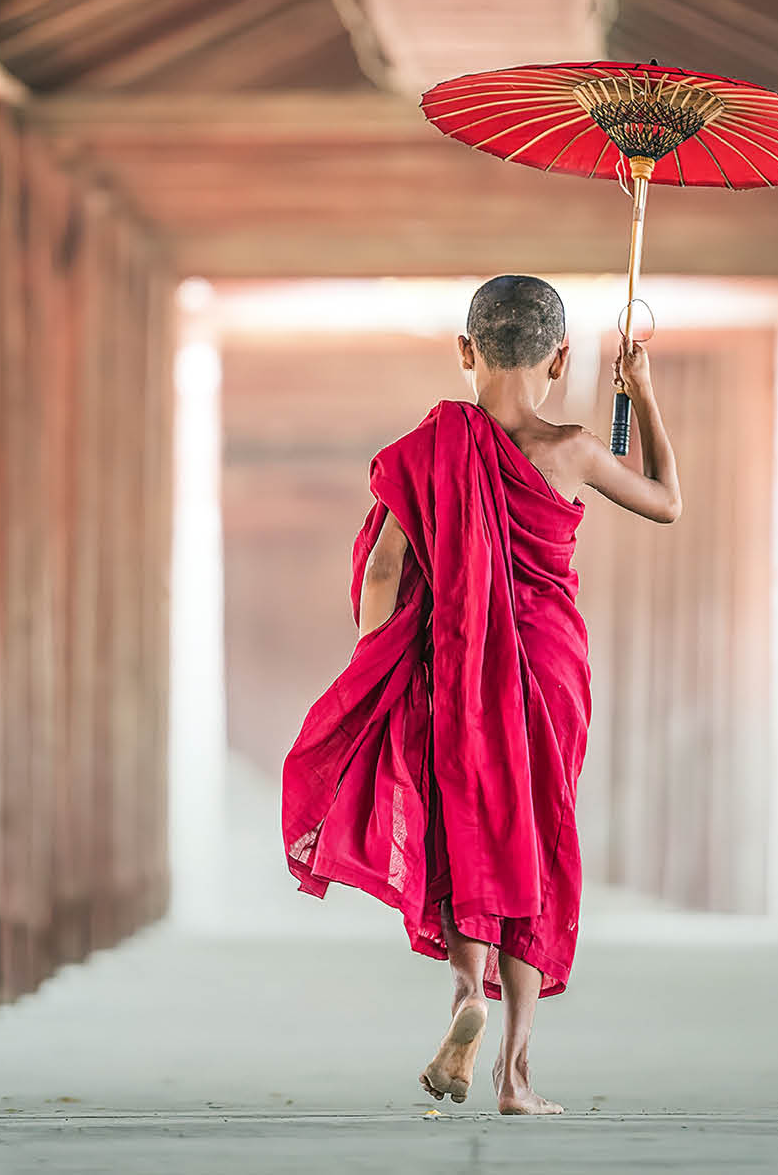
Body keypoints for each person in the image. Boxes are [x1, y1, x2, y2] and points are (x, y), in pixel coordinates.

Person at [280, 274, 682, 1116]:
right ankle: (516, 1075)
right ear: (562, 355)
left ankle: (466, 992)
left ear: (466, 353)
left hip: (456, 664)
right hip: (551, 669)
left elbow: (387, 565)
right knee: (534, 836)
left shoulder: (432, 445)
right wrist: (640, 393)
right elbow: (666, 502)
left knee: (467, 825)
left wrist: (374, 664)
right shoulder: (573, 447)